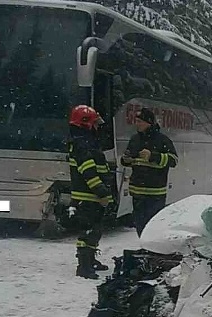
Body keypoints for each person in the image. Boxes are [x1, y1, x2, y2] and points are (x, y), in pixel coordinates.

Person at [68, 104, 113, 279]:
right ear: (86, 124)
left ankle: (90, 260)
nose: (97, 126)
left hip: (89, 195)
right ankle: (84, 266)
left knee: (95, 230)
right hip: (88, 197)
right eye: (94, 122)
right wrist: (101, 193)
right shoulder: (82, 144)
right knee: (88, 231)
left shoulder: (86, 141)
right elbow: (89, 172)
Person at [121, 108, 178, 236]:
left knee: (153, 225)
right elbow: (128, 158)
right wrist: (125, 160)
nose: (137, 124)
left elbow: (173, 160)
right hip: (137, 192)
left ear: (149, 123)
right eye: (136, 121)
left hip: (155, 193)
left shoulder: (162, 140)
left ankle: (151, 250)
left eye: (140, 121)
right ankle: (143, 246)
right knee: (140, 225)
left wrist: (153, 156)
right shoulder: (135, 139)